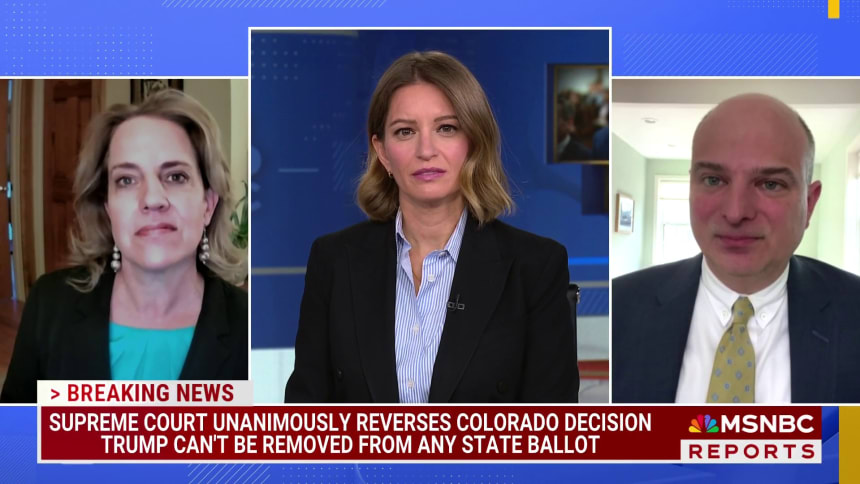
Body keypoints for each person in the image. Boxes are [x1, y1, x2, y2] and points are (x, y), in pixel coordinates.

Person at [284, 51, 579, 403]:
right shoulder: (333, 260)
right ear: (382, 151)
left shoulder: (536, 267)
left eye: (446, 128)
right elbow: (306, 412)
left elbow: (551, 424)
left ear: (473, 141)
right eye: (405, 131)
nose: (426, 150)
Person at [0, 89, 248, 403]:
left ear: (208, 205)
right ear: (108, 208)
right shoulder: (49, 304)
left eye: (175, 176)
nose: (152, 199)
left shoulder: (251, 328)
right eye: (126, 180)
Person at [612, 93, 860, 404]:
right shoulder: (620, 307)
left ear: (809, 204)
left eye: (770, 184)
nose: (735, 212)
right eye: (713, 180)